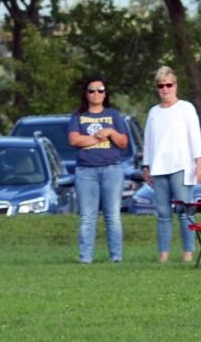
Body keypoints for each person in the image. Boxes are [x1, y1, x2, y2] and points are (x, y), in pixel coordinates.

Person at [67, 76, 130, 264]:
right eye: (92, 90)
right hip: (86, 172)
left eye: (100, 90)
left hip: (112, 170)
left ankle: (116, 257)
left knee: (113, 215)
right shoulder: (78, 116)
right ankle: (86, 257)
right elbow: (74, 140)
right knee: (87, 216)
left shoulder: (114, 116)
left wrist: (110, 132)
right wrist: (98, 137)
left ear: (105, 93)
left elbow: (123, 143)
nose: (96, 94)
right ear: (86, 94)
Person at [142, 66, 201, 263]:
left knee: (184, 212)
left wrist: (198, 163)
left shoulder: (186, 108)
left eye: (169, 85)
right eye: (161, 86)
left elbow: (195, 138)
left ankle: (187, 252)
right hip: (159, 168)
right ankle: (164, 255)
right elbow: (148, 141)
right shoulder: (153, 113)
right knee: (163, 214)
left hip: (181, 167)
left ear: (175, 85)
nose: (165, 89)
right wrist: (146, 166)